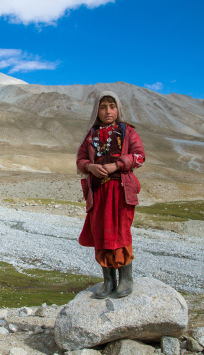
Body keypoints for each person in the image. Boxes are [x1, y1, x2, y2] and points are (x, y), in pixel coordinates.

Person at [76, 91, 145, 299]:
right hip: (98, 193)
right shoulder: (91, 134)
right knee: (101, 232)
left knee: (120, 230)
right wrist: (90, 167)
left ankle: (126, 279)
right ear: (97, 110)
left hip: (121, 190)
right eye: (103, 107)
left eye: (112, 107)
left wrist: (117, 164)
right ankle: (108, 281)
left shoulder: (127, 131)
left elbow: (139, 156)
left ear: (118, 109)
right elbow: (80, 160)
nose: (108, 111)